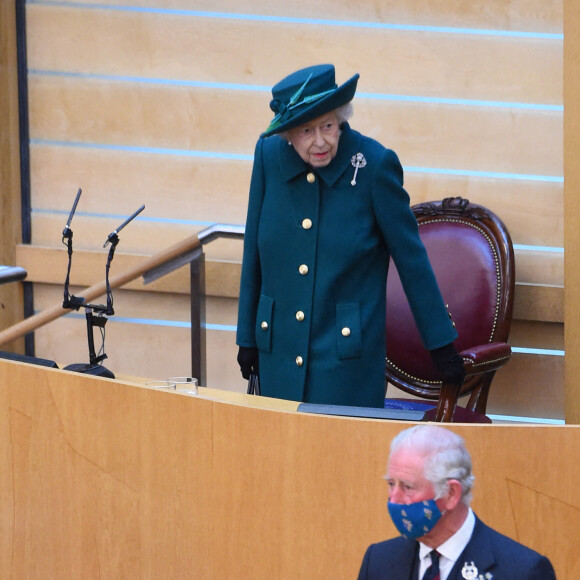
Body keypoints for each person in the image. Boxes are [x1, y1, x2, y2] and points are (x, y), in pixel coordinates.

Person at [236, 64, 464, 407]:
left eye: (328, 125)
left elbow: (410, 258)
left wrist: (441, 343)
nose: (319, 142)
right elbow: (253, 250)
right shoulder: (268, 156)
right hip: (277, 354)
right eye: (305, 130)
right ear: (286, 134)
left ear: (341, 117)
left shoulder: (374, 165)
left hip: (344, 362)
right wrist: (247, 336)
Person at [357, 425, 557, 579]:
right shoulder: (379, 560)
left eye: (407, 487)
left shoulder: (522, 571)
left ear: (451, 494)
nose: (394, 499)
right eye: (391, 484)